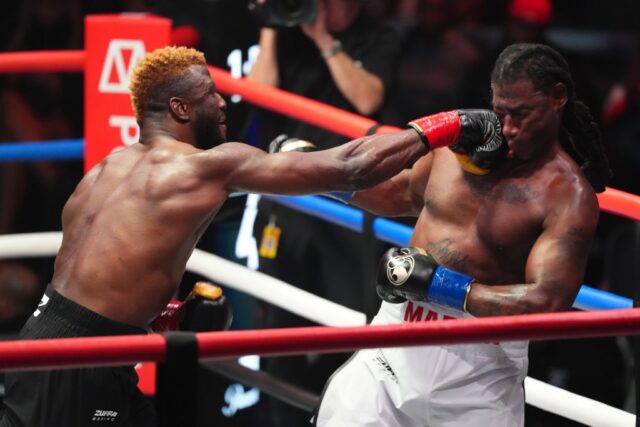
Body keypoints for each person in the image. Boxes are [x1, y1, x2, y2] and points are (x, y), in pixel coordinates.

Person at [0, 46, 503, 426]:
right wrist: (445, 126)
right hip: (86, 362)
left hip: (42, 340)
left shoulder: (106, 168)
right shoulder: (208, 165)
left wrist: (155, 314)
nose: (223, 101)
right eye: (210, 94)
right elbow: (351, 168)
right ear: (180, 109)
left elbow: (93, 275)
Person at [314, 43, 612, 426]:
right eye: (501, 112)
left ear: (557, 98)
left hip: (480, 372)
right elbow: (402, 194)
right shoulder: (460, 148)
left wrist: (438, 285)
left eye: (522, 114)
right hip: (396, 341)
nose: (508, 127)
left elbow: (547, 301)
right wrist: (322, 176)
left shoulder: (568, 196)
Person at [244, 1, 401, 424]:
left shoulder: (378, 35)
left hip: (349, 203)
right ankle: (280, 418)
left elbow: (367, 98)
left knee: (348, 319)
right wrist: (273, 24)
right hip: (291, 196)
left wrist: (324, 41)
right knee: (279, 321)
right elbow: (260, 92)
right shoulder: (287, 34)